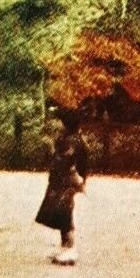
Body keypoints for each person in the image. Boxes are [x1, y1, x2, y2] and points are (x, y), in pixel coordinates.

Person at [35, 106, 93, 265]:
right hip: (66, 180)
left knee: (65, 212)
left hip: (67, 181)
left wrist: (78, 180)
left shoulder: (72, 141)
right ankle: (65, 246)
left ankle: (70, 249)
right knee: (61, 212)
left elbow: (67, 161)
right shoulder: (74, 138)